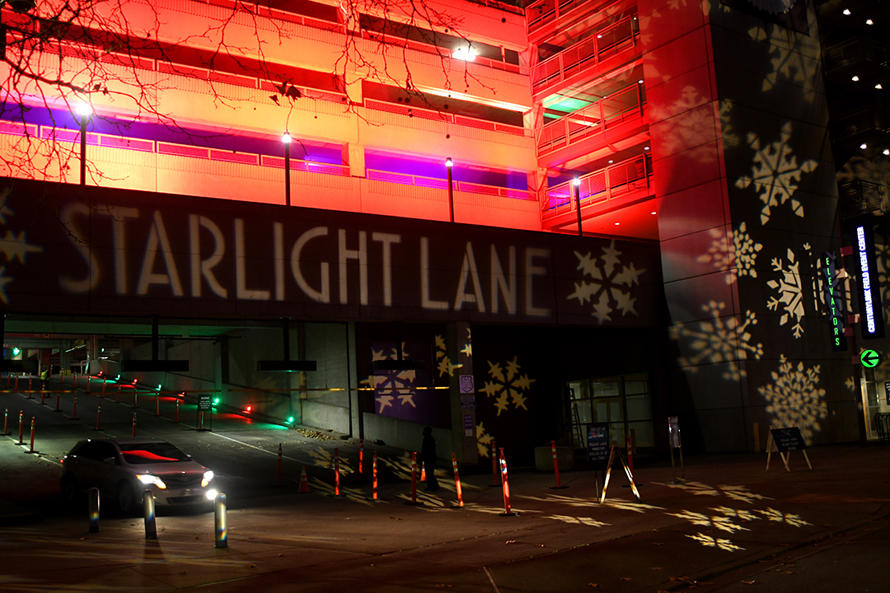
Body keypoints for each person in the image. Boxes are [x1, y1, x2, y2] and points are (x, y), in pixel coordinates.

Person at [421, 425, 440, 491]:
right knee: (429, 473)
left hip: (429, 458)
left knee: (429, 473)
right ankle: (433, 485)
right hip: (430, 458)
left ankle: (432, 486)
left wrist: (423, 457)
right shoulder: (430, 438)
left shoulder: (428, 439)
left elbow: (426, 450)